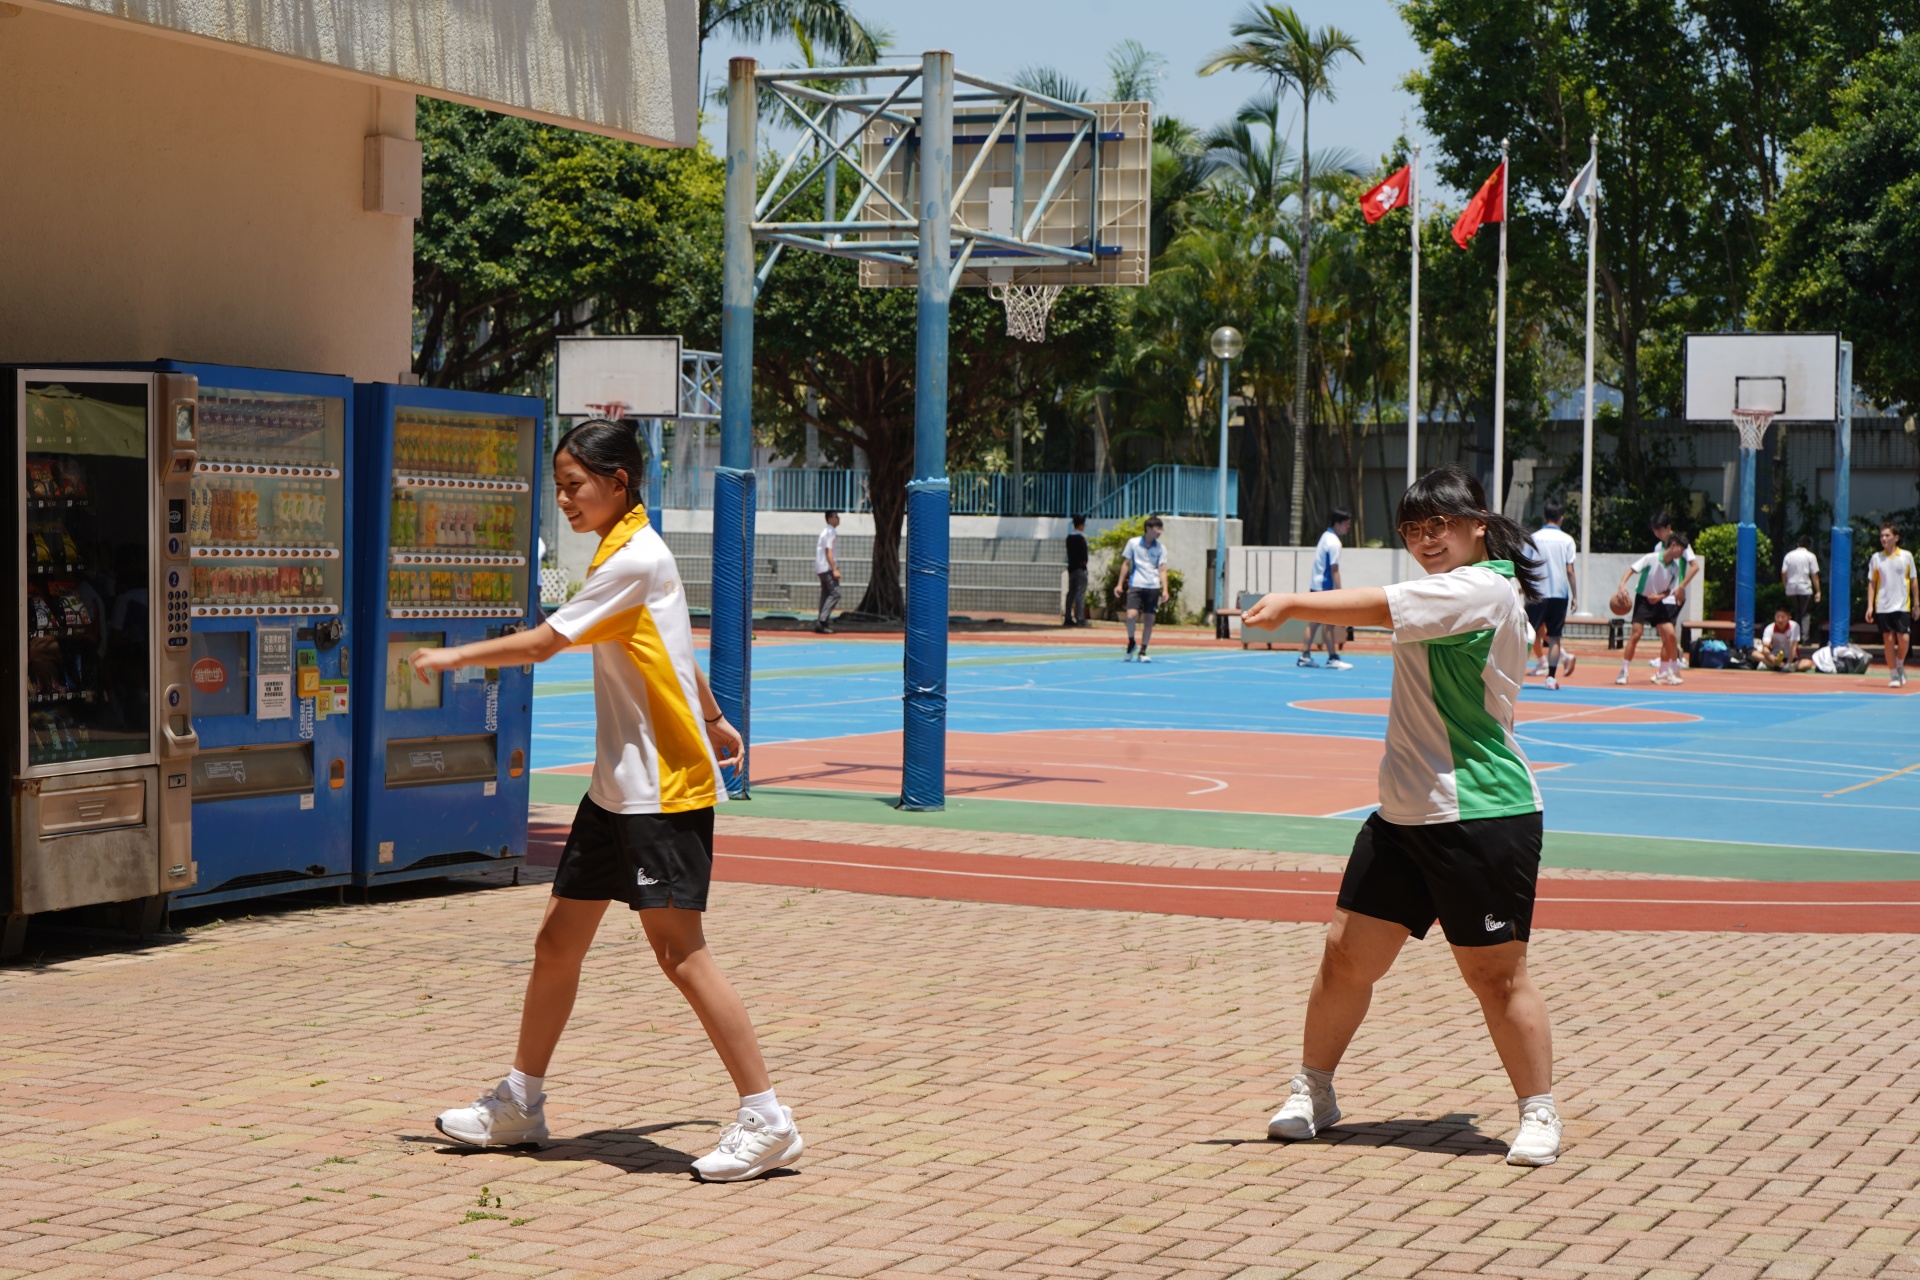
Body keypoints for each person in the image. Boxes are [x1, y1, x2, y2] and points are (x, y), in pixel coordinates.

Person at [426, 420, 803, 1183]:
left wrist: (456, 654)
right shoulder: (625, 550)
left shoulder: (635, 556)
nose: (564, 499)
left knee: (680, 954)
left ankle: (768, 1120)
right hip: (615, 791)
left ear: (618, 482)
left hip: (660, 790)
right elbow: (672, 645)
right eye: (559, 487)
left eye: (574, 486)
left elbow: (543, 645)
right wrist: (714, 713)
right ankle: (520, 1103)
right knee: (557, 943)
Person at [1242, 464, 1560, 1167]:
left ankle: (1538, 1110)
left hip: (1481, 811)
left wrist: (1292, 601)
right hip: (1403, 814)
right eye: (1413, 529)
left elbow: (1383, 608)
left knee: (1496, 976)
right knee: (1344, 957)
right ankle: (1314, 1090)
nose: (1425, 539)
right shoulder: (1449, 587)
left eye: (1439, 524)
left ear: (1477, 525)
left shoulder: (1483, 587)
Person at [1615, 534, 1692, 686]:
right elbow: (1631, 570)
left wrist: (1659, 597)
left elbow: (1669, 590)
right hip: (1643, 601)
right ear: (1673, 545)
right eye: (1681, 550)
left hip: (1658, 602)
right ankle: (1624, 670)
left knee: (1670, 635)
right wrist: (1622, 585)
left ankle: (1665, 672)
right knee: (1636, 634)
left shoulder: (1675, 568)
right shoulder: (1651, 558)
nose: (1682, 553)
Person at [1525, 501, 1578, 690]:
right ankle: (1550, 678)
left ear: (1544, 517)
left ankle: (1513, 674)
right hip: (1559, 594)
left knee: (1526, 635)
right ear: (1561, 519)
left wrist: (1523, 588)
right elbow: (1570, 570)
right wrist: (1575, 596)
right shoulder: (1567, 540)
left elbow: (1525, 566)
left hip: (1537, 593)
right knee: (1554, 637)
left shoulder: (1533, 538)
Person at [1300, 508, 1355, 670]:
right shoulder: (1334, 542)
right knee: (1329, 623)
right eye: (1346, 524)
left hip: (1316, 586)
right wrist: (1340, 592)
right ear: (1337, 523)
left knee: (1314, 622)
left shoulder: (1325, 536)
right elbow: (1334, 569)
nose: (1348, 527)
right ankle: (1332, 658)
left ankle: (1304, 656)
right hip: (1325, 588)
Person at [1866, 521, 1917, 688]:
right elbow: (1872, 583)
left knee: (1904, 639)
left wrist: (1916, 604)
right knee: (1888, 641)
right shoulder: (1876, 558)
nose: (1883, 538)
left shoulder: (1906, 556)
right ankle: (1894, 674)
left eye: (1887, 535)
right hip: (1883, 605)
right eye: (1881, 536)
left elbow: (1913, 580)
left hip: (1902, 605)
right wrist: (1870, 606)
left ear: (1896, 537)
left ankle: (1899, 663)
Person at [1115, 515, 1168, 662]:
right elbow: (1126, 563)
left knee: (1149, 619)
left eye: (1161, 529)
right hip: (1136, 585)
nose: (1160, 532)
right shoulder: (1133, 543)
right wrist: (1119, 584)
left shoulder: (1161, 548)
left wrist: (1165, 589)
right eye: (1157, 528)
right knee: (1131, 615)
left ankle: (1143, 651)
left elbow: (1162, 569)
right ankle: (1131, 642)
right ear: (1148, 528)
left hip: (1153, 586)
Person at [1780, 535, 1821, 644]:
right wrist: (1818, 591)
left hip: (1791, 587)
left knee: (1796, 611)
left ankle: (1795, 636)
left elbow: (1783, 572)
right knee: (1805, 613)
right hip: (1804, 587)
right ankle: (1805, 637)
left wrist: (1786, 586)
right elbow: (1814, 575)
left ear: (1798, 544)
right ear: (1809, 546)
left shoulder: (1789, 555)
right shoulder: (1810, 556)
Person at [1755, 606, 1812, 672]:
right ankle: (1775, 665)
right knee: (1754, 654)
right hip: (1775, 658)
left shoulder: (1794, 626)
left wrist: (1788, 663)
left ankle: (1787, 667)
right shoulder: (1769, 628)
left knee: (1808, 663)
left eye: (1783, 617)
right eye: (1777, 617)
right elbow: (1765, 647)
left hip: (1791, 659)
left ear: (1789, 618)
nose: (1780, 620)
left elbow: (1793, 646)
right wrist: (1772, 658)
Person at [814, 510, 841, 634]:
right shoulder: (830, 531)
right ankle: (822, 620)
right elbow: (828, 550)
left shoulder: (826, 531)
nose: (838, 519)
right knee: (835, 593)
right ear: (829, 519)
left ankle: (822, 621)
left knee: (825, 594)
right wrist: (834, 568)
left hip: (821, 568)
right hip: (827, 568)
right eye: (836, 517)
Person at [1064, 515, 1089, 627]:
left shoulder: (1069, 538)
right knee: (1080, 593)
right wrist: (1084, 564)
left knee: (1071, 593)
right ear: (1081, 525)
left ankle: (1068, 617)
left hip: (1071, 568)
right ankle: (1080, 618)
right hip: (1080, 568)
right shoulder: (1081, 539)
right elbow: (1084, 555)